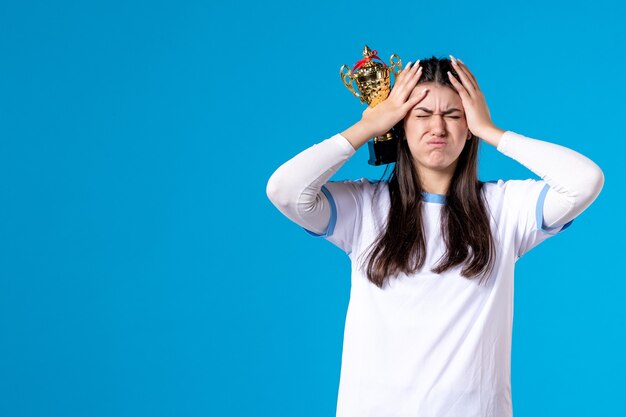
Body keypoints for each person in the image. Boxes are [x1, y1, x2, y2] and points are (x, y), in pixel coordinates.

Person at [265, 55, 604, 417]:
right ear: (401, 125)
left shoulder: (505, 208)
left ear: (468, 125)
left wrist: (492, 131)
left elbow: (584, 182)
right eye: (422, 115)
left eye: (454, 115)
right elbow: (285, 190)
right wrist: (367, 126)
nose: (437, 128)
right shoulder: (364, 207)